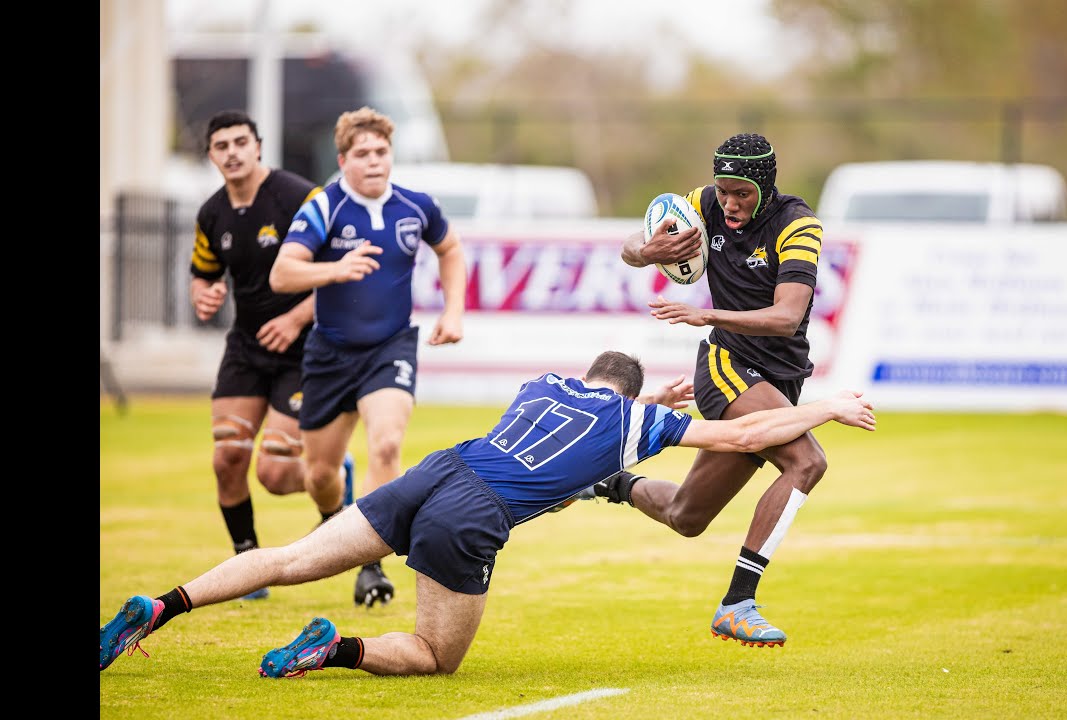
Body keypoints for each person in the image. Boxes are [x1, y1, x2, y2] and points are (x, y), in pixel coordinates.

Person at [100, 351, 876, 676]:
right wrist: (828, 405)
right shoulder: (636, 425)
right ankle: (334, 648)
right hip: (474, 514)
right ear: (633, 392)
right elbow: (744, 433)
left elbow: (599, 415)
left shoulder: (542, 383)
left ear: (587, 375)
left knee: (292, 559)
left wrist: (647, 400)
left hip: (439, 469)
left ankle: (162, 605)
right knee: (438, 657)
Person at [579, 132, 827, 647]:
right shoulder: (701, 204)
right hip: (727, 365)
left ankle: (605, 482)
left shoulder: (797, 225)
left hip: (779, 375)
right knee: (806, 462)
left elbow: (786, 317)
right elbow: (629, 249)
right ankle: (738, 603)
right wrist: (646, 251)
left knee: (686, 516)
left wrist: (705, 312)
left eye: (742, 193)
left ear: (765, 184)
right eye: (724, 190)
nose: (730, 203)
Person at [268, 106, 468, 608]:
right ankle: (334, 514)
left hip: (390, 347)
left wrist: (454, 310)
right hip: (330, 356)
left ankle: (371, 562)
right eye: (363, 154)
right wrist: (334, 270)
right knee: (319, 477)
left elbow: (450, 249)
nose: (374, 162)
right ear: (343, 159)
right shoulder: (324, 207)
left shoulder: (416, 206)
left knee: (386, 444)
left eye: (382, 152)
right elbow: (282, 274)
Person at [189, 109, 356, 601]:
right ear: (212, 156)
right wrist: (203, 293)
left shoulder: (299, 196)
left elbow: (338, 270)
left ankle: (333, 476)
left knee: (276, 474)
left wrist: (296, 318)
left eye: (241, 142)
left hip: (304, 349)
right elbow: (204, 272)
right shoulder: (211, 213)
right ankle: (248, 567)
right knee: (226, 459)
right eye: (222, 146)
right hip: (245, 347)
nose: (233, 152)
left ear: (258, 146)